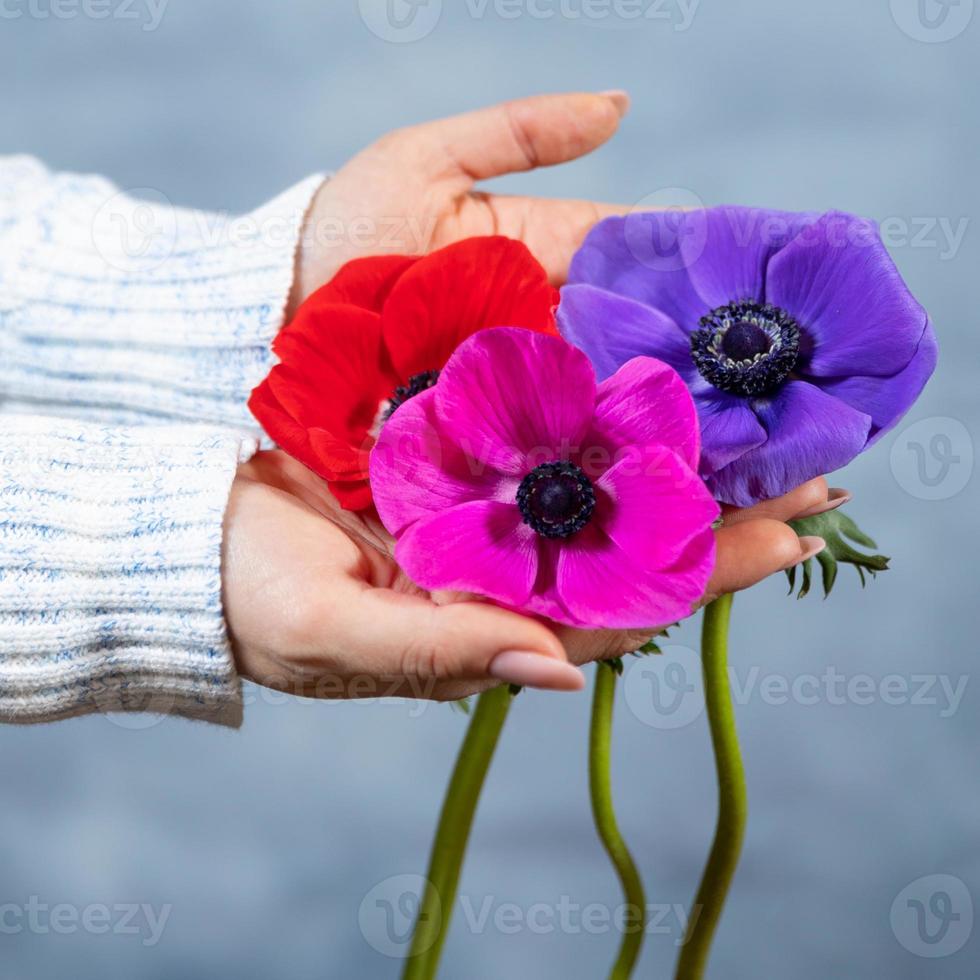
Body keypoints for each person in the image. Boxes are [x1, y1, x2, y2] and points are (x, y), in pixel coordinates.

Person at [0, 91, 832, 727]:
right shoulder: (461, 456)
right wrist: (162, 558)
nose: (430, 422)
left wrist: (265, 277)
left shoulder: (589, 397)